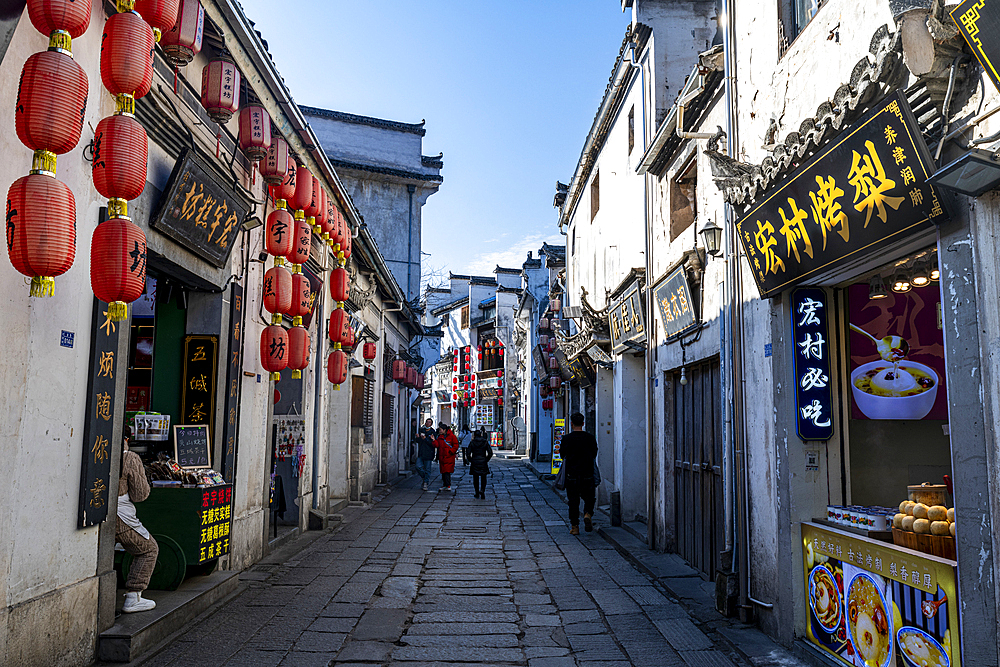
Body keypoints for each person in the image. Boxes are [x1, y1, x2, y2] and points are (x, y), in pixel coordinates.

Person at [116, 427, 159, 612]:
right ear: (126, 439)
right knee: (149, 549)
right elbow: (140, 494)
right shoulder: (129, 457)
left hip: (94, 511)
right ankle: (133, 597)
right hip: (120, 516)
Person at [560, 412, 598, 535]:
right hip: (588, 474)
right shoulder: (590, 438)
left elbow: (562, 455)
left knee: (573, 501)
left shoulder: (566, 439)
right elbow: (594, 454)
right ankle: (587, 513)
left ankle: (575, 526)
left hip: (572, 475)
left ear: (571, 424)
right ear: (583, 423)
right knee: (589, 498)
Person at [468, 427, 493, 499]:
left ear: (474, 435)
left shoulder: (472, 442)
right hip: (483, 461)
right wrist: (486, 459)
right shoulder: (485, 442)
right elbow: (490, 453)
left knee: (475, 478)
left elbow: (468, 453)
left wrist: (471, 460)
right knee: (483, 477)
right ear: (481, 435)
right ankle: (482, 490)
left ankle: (476, 492)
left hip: (475, 461)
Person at [433, 423, 460, 492]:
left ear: (444, 430)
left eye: (441, 429)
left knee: (447, 471)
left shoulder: (452, 436)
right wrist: (433, 440)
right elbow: (437, 445)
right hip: (442, 457)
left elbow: (456, 445)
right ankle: (445, 485)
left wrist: (451, 451)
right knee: (443, 471)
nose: (440, 431)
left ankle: (448, 485)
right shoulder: (440, 437)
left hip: (449, 457)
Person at [415, 418, 437, 491]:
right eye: (426, 422)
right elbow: (419, 442)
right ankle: (425, 477)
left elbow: (433, 443)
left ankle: (426, 482)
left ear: (431, 424)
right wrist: (418, 438)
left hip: (429, 453)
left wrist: (425, 439)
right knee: (418, 466)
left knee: (427, 469)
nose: (427, 423)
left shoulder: (433, 432)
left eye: (429, 422)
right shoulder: (422, 430)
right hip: (421, 452)